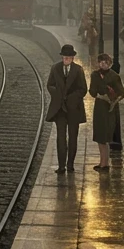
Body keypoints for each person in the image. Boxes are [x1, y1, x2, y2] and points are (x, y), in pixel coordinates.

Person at [45, 43, 87, 174]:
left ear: (72, 58)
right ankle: (61, 165)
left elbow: (83, 89)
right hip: (60, 109)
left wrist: (72, 98)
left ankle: (70, 165)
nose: (65, 60)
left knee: (73, 137)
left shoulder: (78, 70)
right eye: (64, 57)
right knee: (61, 138)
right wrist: (58, 94)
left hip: (74, 108)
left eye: (68, 58)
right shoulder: (55, 68)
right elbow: (50, 85)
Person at [89, 53, 124, 171]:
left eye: (105, 62)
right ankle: (102, 162)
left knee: (106, 135)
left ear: (109, 63)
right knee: (99, 136)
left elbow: (121, 93)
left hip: (110, 109)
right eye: (101, 62)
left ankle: (105, 163)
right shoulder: (95, 75)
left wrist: (112, 99)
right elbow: (92, 91)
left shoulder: (114, 76)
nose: (102, 64)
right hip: (99, 107)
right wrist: (99, 95)